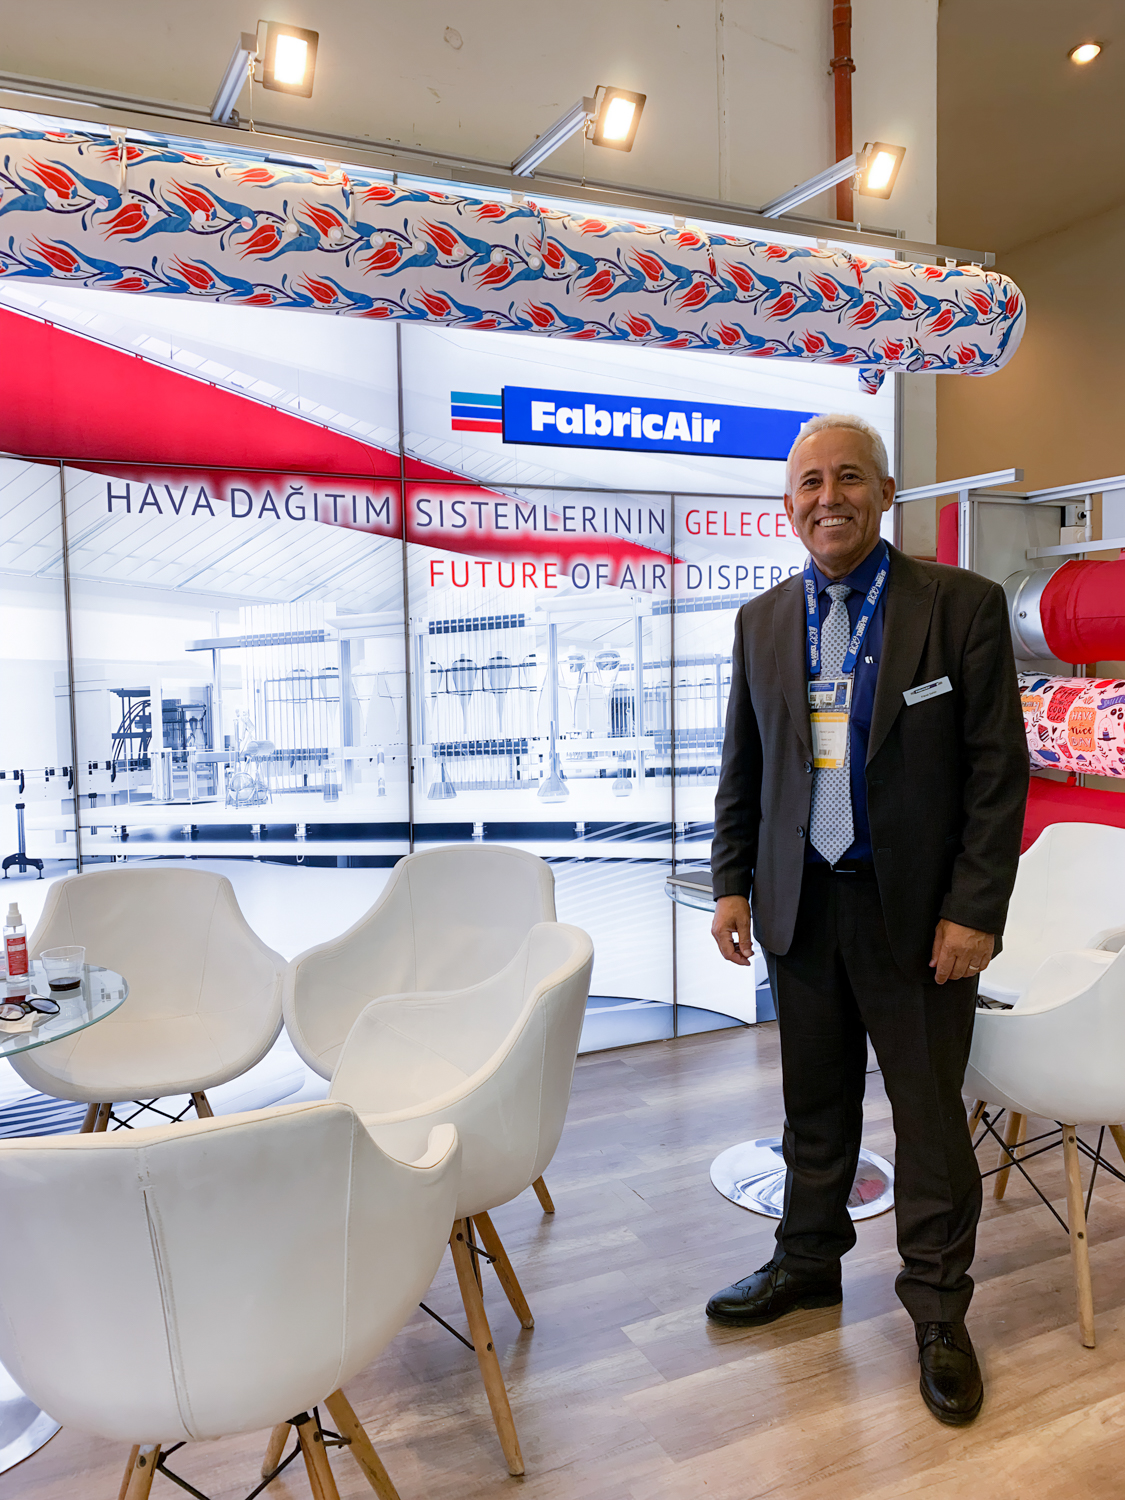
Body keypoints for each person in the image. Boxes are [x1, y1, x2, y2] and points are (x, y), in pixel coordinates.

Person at [706, 412, 1028, 1426]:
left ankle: (937, 1310)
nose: (828, 498)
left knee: (928, 1123)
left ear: (885, 493)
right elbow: (744, 765)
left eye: (848, 477)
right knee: (814, 1107)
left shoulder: (959, 606)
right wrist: (730, 882)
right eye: (809, 483)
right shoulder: (762, 621)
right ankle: (807, 1261)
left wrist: (974, 910)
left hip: (922, 920)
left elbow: (996, 772)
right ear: (787, 505)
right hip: (802, 906)